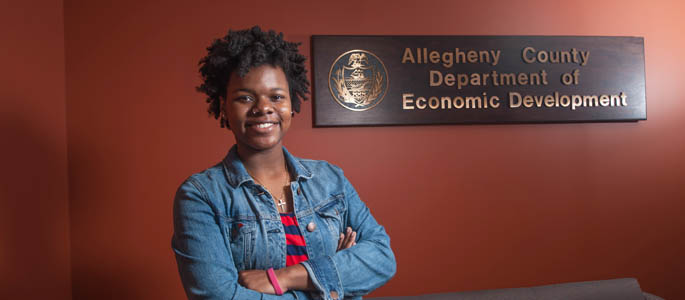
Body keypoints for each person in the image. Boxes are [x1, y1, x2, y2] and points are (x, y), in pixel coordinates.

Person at [171, 26, 396, 300]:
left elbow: (382, 257)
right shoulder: (201, 196)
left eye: (276, 97)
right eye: (245, 97)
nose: (263, 107)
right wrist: (331, 284)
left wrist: (284, 277)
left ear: (292, 104)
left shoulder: (331, 180)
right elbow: (217, 296)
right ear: (224, 106)